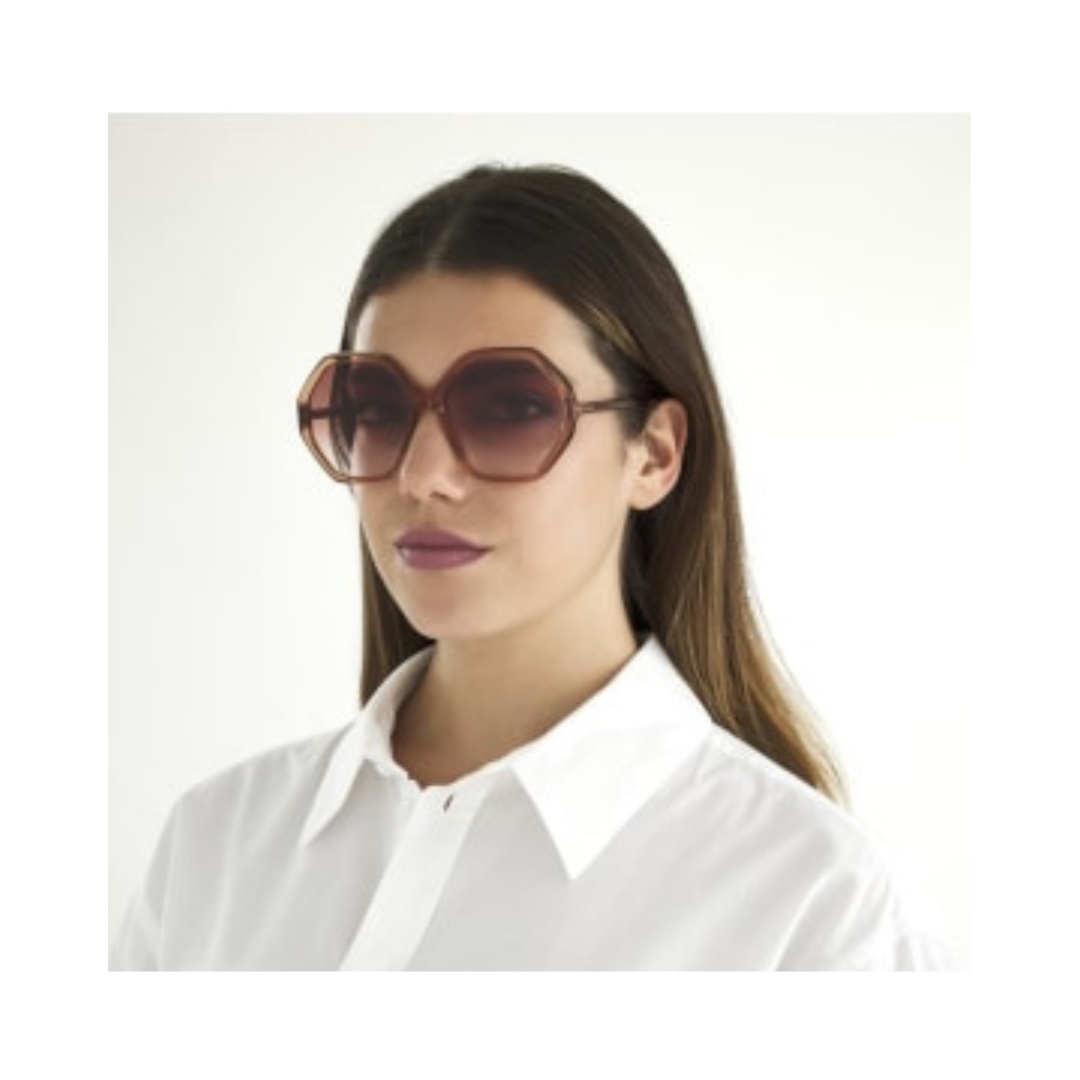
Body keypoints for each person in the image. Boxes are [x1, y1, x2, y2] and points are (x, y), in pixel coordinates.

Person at [111, 164, 950, 970]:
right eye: (378, 409)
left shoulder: (816, 911)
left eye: (511, 407)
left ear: (654, 454)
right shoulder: (213, 850)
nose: (423, 476)